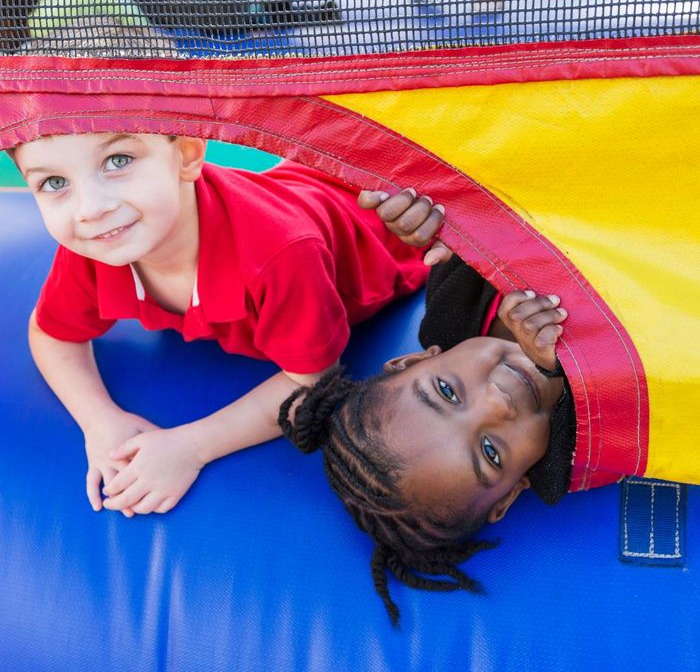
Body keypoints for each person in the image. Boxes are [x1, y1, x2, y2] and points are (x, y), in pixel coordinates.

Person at [12, 131, 448, 518]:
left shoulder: (283, 254)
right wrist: (100, 422)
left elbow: (314, 380)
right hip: (294, 183)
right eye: (54, 183)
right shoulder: (97, 242)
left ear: (187, 155)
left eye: (119, 161)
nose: (90, 208)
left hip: (383, 205)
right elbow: (50, 333)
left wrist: (190, 447)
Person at [279, 188, 576, 626]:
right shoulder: (583, 445)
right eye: (490, 452)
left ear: (415, 359)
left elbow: (486, 195)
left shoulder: (451, 308)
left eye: (448, 392)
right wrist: (563, 368)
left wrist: (439, 215)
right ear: (511, 493)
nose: (496, 403)